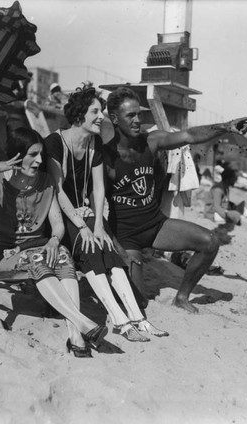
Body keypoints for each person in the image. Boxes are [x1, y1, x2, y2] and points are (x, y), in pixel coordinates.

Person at [103, 87, 247, 314]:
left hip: (156, 225)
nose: (137, 120)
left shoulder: (151, 141)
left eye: (139, 114)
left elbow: (189, 135)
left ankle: (182, 297)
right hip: (126, 237)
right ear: (114, 119)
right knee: (138, 303)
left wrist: (225, 127)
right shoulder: (105, 158)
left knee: (210, 242)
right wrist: (118, 249)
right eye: (130, 115)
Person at [45, 87, 168, 342]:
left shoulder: (94, 144)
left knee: (106, 245)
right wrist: (83, 226)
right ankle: (121, 321)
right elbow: (58, 191)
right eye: (95, 111)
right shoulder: (55, 143)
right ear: (79, 115)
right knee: (91, 249)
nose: (101, 116)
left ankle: (140, 320)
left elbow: (98, 188)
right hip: (60, 217)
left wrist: (99, 225)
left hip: (87, 215)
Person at [0, 127, 107, 358]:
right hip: (1, 256)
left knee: (63, 253)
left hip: (36, 249)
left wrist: (55, 240)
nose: (40, 160)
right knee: (38, 260)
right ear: (17, 156)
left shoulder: (45, 183)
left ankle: (76, 336)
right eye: (33, 154)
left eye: (41, 154)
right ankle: (81, 322)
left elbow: (57, 225)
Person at [204, 164, 247, 231]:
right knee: (237, 215)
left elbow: (224, 201)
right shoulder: (218, 189)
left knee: (244, 210)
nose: (235, 180)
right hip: (212, 214)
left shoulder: (225, 187)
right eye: (234, 178)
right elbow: (217, 207)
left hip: (222, 211)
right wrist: (228, 215)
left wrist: (233, 207)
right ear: (228, 179)